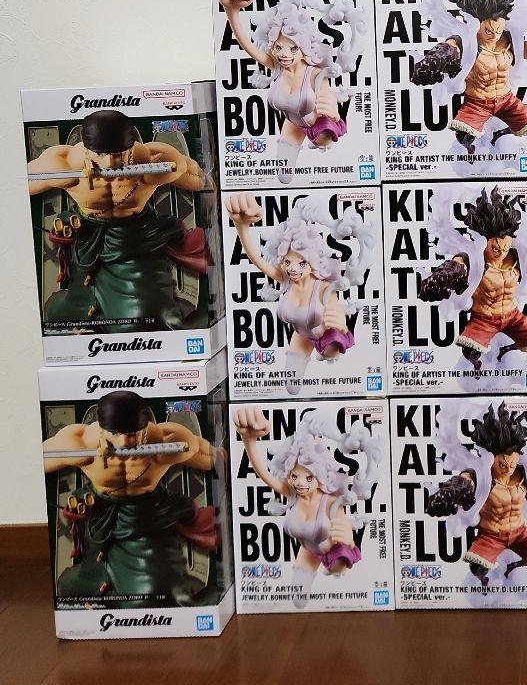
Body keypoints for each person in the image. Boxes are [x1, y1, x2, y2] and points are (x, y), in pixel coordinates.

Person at [28, 109, 211, 329]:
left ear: (130, 146)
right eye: (99, 154)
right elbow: (18, 182)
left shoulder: (153, 160)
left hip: (134, 239)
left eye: (118, 154)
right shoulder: (65, 164)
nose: (110, 162)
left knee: (145, 317)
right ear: (86, 148)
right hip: (88, 238)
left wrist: (217, 196)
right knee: (71, 309)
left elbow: (200, 180)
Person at [43, 390, 220, 604]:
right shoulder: (81, 444)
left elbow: (214, 460)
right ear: (102, 429)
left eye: (134, 433)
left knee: (154, 595)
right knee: (75, 587)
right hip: (102, 519)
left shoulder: (166, 440)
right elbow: (36, 460)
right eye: (116, 433)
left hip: (145, 520)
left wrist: (211, 449)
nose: (126, 441)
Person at [215, 0, 358, 183]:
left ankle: (322, 144)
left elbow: (328, 104)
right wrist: (232, 11)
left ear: (305, 47)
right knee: (283, 176)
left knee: (323, 139)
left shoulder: (315, 73)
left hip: (320, 127)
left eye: (293, 49)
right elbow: (247, 45)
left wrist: (334, 114)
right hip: (293, 124)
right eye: (279, 47)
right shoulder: (277, 67)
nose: (284, 54)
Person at [233, 406, 380, 606]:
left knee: (339, 570)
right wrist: (248, 441)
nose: (300, 483)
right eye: (295, 476)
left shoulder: (330, 501)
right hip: (308, 551)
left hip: (334, 553)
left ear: (320, 478)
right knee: (298, 601)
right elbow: (264, 475)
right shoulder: (293, 494)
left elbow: (344, 528)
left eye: (309, 478)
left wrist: (348, 539)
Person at [225, 195, 359, 395]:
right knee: (292, 386)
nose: (293, 269)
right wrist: (241, 227)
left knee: (332, 351)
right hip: (302, 336)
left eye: (302, 263)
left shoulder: (322, 287)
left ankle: (329, 355)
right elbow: (257, 260)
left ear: (313, 262)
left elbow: (335, 310)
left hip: (327, 337)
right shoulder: (286, 279)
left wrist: (340, 322)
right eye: (288, 262)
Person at [410, 0, 527, 155]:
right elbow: (450, 47)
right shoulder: (467, 41)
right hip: (477, 103)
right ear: (477, 23)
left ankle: (500, 134)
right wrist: (436, 59)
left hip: (507, 100)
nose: (494, 35)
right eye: (488, 31)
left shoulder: (511, 39)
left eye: (498, 30)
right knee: (464, 137)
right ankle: (472, 154)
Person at [425, 403, 527, 586]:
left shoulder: (524, 474)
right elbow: (464, 481)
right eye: (502, 465)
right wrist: (450, 492)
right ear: (490, 457)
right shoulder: (481, 476)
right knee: (478, 569)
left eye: (513, 464)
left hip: (521, 533)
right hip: (491, 536)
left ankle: (513, 566)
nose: (508, 470)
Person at [418, 188, 527, 370]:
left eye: (506, 248)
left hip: (513, 316)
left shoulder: (517, 258)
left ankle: (506, 349)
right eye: (496, 249)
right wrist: (444, 276)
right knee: (471, 353)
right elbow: (456, 265)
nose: (501, 253)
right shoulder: (473, 259)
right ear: (483, 241)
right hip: (484, 319)